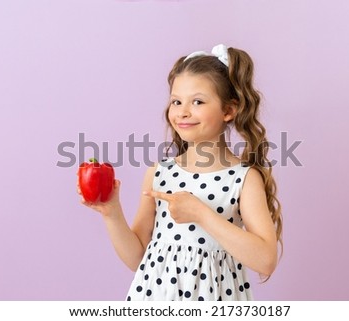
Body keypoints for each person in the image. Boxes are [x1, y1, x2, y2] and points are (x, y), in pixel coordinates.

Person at [78, 44, 282, 301]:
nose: (183, 111)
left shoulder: (242, 179)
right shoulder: (159, 173)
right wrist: (112, 213)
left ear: (229, 110)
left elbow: (265, 260)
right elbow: (137, 258)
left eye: (197, 101)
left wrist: (202, 215)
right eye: (176, 101)